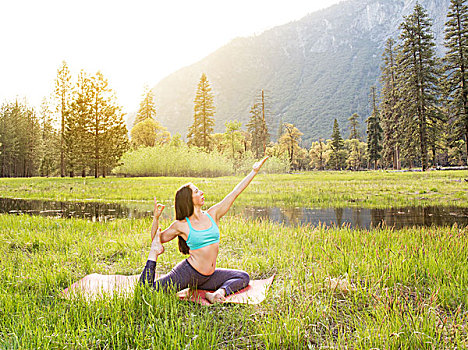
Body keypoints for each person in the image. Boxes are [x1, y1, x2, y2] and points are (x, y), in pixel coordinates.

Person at [139, 156, 269, 303]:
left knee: (243, 277)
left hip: (208, 277)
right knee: (147, 291)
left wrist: (254, 171)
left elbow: (235, 192)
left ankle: (216, 294)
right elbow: (157, 239)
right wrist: (156, 218)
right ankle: (152, 256)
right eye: (196, 191)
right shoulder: (181, 224)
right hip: (187, 273)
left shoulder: (213, 214)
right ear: (189, 199)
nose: (201, 192)